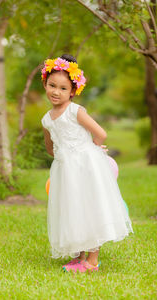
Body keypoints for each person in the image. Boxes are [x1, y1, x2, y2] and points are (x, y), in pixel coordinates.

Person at [41, 54, 134, 273]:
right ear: (45, 83)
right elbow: (49, 147)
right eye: (52, 85)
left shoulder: (76, 111)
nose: (56, 91)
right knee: (73, 208)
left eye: (63, 88)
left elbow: (101, 133)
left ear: (73, 91)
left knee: (90, 206)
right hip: (65, 168)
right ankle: (78, 256)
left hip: (86, 165)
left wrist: (91, 148)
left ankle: (92, 260)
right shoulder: (46, 119)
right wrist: (62, 156)